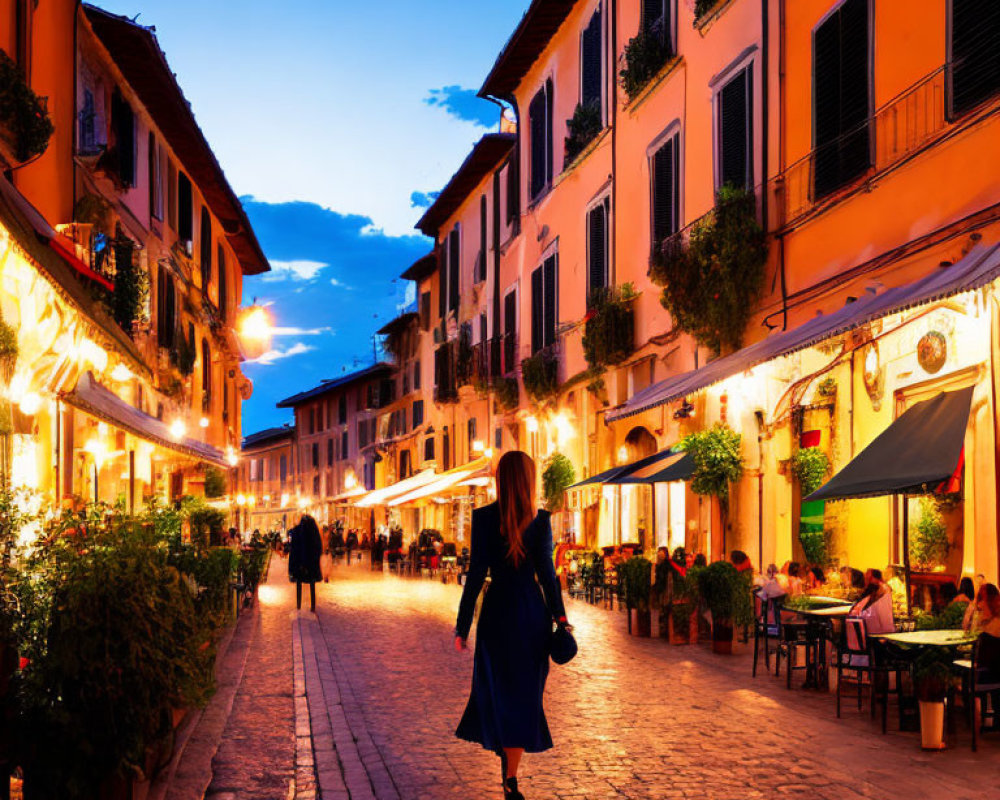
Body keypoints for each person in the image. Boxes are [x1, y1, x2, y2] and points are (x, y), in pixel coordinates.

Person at [454, 451, 569, 800]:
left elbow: (475, 576)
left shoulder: (484, 518)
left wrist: (462, 627)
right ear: (530, 479)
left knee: (497, 693)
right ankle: (511, 776)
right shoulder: (541, 521)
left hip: (496, 614)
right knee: (524, 697)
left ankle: (505, 764)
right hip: (531, 614)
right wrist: (560, 617)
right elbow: (548, 576)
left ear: (501, 479)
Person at [288, 514, 323, 613]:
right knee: (312, 585)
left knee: (299, 584)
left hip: (299, 563)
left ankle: (299, 605)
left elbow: (293, 549)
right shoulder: (314, 532)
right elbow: (318, 548)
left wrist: (292, 566)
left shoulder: (297, 531)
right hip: (311, 564)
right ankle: (312, 606)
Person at [849, 568, 894, 635]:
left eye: (868, 575)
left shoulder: (881, 588)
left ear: (873, 577)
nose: (865, 577)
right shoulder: (874, 588)